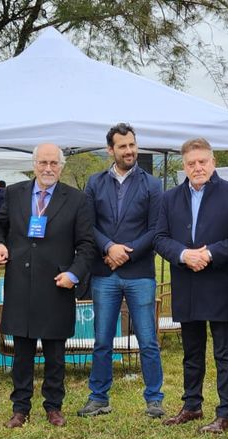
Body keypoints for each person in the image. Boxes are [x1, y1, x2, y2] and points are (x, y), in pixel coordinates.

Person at [0, 143, 96, 428]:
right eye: (43, 163)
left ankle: (54, 407)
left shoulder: (77, 199)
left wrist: (74, 274)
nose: (48, 168)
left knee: (55, 354)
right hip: (21, 284)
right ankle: (20, 409)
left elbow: (87, 245)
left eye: (54, 163)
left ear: (61, 167)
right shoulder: (14, 193)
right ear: (34, 164)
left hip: (56, 285)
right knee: (22, 354)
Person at [153, 138, 228, 434]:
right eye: (191, 163)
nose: (197, 168)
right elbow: (159, 237)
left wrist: (209, 253)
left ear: (213, 162)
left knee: (224, 351)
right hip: (187, 282)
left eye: (202, 162)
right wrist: (183, 255)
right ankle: (192, 405)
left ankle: (225, 413)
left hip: (219, 280)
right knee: (192, 351)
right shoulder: (169, 199)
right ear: (184, 166)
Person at [78, 123, 165, 419]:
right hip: (105, 273)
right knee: (102, 339)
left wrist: (125, 253)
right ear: (110, 150)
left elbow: (156, 230)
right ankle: (99, 397)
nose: (129, 151)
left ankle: (154, 399)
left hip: (139, 272)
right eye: (123, 146)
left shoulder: (152, 185)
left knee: (147, 338)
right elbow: (87, 225)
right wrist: (108, 248)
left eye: (132, 144)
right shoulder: (94, 182)